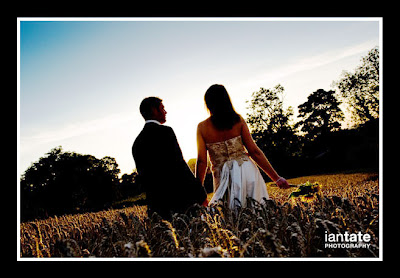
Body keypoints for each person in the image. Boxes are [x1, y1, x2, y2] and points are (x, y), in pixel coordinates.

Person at [195, 84, 290, 209]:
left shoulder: (202, 128)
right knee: (257, 211)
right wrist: (276, 178)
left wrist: (197, 191)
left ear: (208, 103)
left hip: (222, 176)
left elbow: (202, 162)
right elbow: (254, 152)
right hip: (246, 171)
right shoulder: (238, 120)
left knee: (227, 216)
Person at [132, 97, 207, 219]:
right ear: (154, 110)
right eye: (162, 108)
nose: (165, 111)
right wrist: (199, 191)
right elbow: (179, 165)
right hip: (178, 201)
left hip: (157, 206)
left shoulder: (136, 143)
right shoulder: (165, 132)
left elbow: (144, 178)